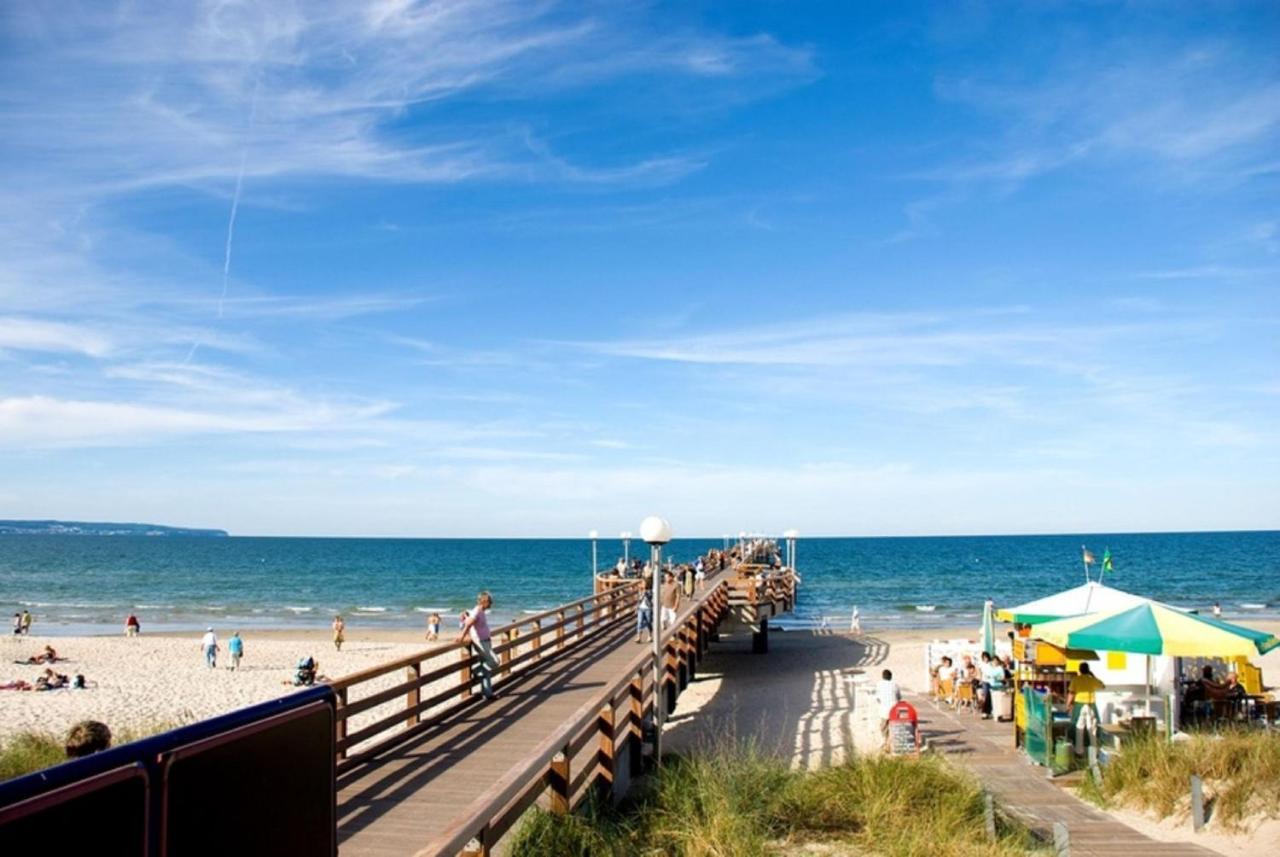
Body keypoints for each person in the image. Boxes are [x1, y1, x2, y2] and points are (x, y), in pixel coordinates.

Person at [458, 591, 499, 701]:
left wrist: (465, 612)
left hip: (485, 641)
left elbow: (468, 616)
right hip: (481, 642)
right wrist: (462, 637)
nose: (492, 603)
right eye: (490, 601)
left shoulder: (478, 610)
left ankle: (488, 694)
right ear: (484, 601)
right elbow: (468, 623)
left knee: (486, 669)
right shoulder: (477, 611)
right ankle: (475, 671)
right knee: (495, 661)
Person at [1066, 663, 1105, 754]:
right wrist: (1093, 676)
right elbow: (1103, 686)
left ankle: (1079, 751)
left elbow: (1071, 693)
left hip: (1079, 705)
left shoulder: (1076, 680)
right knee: (1091, 728)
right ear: (1088, 670)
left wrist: (1068, 705)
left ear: (1080, 670)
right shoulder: (1092, 680)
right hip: (1090, 705)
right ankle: (1094, 751)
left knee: (1079, 727)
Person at [877, 668, 901, 747]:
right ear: (891, 677)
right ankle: (891, 742)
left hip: (884, 708)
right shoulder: (895, 685)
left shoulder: (879, 684)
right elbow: (899, 697)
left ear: (882, 676)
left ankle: (885, 740)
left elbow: (878, 698)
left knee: (883, 725)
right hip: (894, 708)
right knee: (893, 725)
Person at [979, 652, 1005, 719]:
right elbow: (985, 674)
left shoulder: (1000, 668)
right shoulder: (990, 667)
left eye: (996, 661)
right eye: (994, 661)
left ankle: (989, 712)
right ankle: (986, 712)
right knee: (988, 698)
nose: (995, 662)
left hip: (998, 686)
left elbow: (1003, 677)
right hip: (991, 685)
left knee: (991, 699)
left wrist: (996, 678)